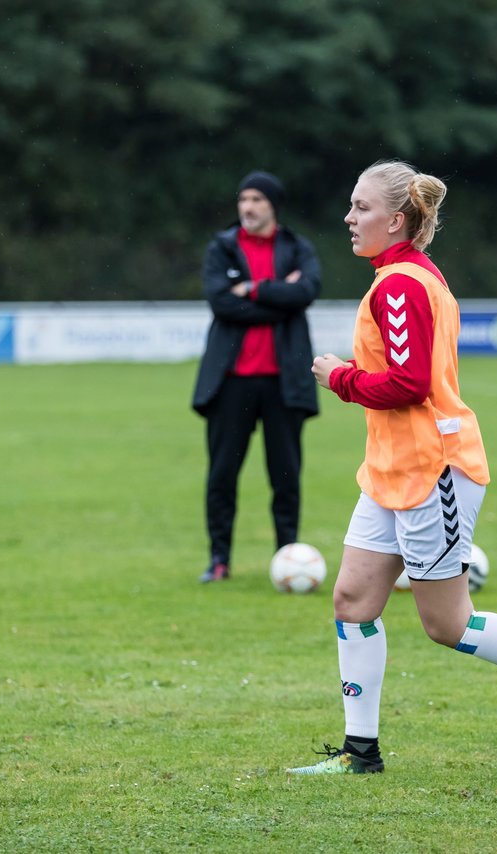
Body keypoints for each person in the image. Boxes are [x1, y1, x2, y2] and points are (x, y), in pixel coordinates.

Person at [288, 160, 497, 774]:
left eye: (360, 208)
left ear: (396, 219)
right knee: (353, 600)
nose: (349, 217)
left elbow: (410, 384)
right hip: (390, 468)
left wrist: (339, 377)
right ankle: (360, 753)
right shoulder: (405, 275)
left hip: (430, 469)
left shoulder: (401, 285)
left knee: (447, 624)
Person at [191, 170, 321, 583]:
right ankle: (218, 561)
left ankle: (288, 559)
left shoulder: (298, 248)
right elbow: (220, 303)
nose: (247, 207)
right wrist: (279, 294)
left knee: (285, 478)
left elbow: (307, 293)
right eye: (242, 199)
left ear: (273, 206)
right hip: (231, 382)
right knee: (222, 475)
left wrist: (252, 289)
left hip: (284, 382)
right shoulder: (222, 247)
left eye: (256, 200)